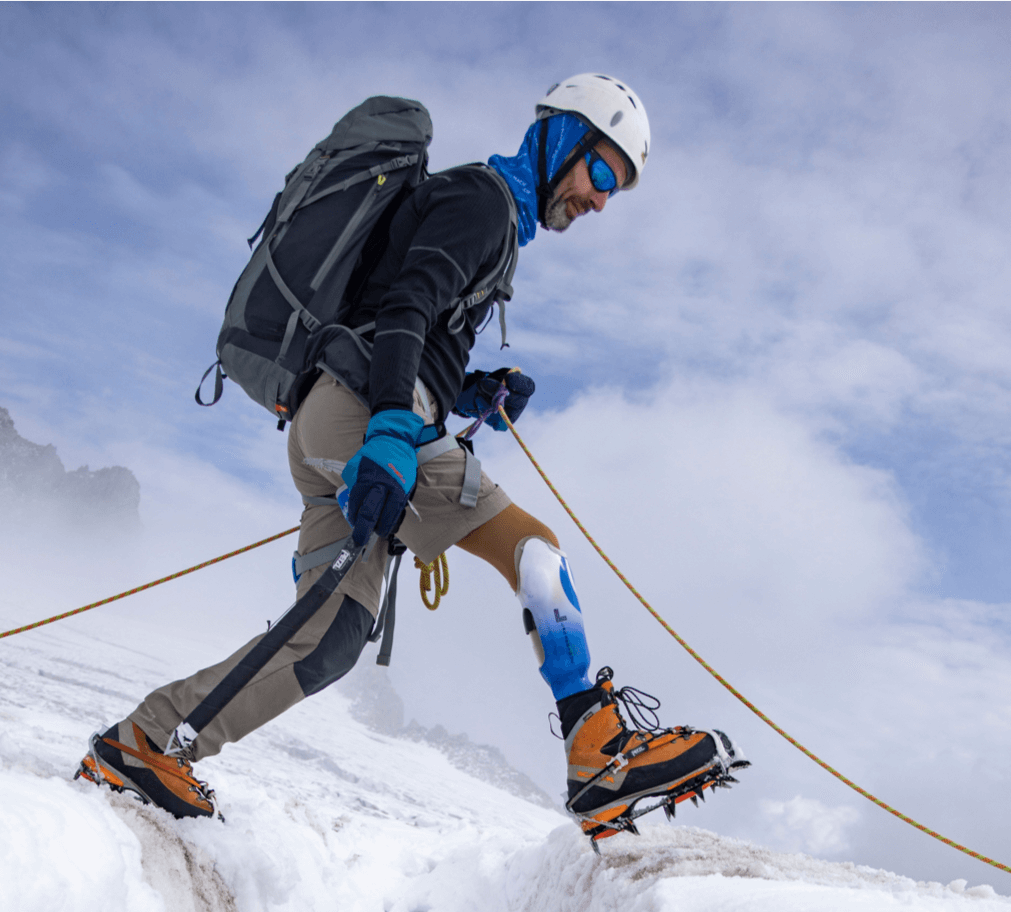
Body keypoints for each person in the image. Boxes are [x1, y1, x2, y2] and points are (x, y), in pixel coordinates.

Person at [77, 73, 746, 842]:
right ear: (561, 136)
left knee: (328, 642)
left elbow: (406, 319)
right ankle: (597, 751)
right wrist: (398, 425)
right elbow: (407, 308)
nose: (599, 200)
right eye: (600, 172)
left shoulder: (486, 217)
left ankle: (144, 745)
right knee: (534, 548)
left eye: (614, 192)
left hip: (331, 424)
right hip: (367, 423)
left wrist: (468, 390)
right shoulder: (484, 203)